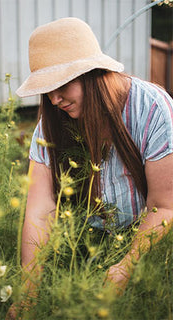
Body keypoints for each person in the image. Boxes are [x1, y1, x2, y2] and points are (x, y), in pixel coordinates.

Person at [14, 17, 173, 312]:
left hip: (147, 236)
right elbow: (40, 210)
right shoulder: (49, 126)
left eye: (62, 83)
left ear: (94, 73)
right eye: (46, 89)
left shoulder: (151, 107)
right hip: (83, 238)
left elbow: (164, 207)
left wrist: (127, 264)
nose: (54, 98)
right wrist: (29, 288)